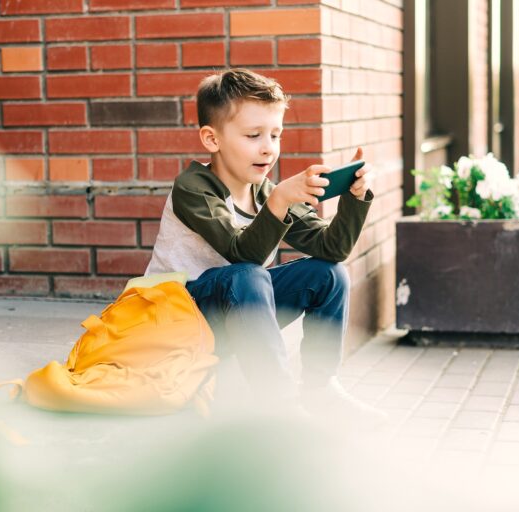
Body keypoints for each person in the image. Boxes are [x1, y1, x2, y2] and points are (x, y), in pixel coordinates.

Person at [145, 68, 385, 424]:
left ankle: (320, 389)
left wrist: (354, 198)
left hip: (229, 313)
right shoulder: (193, 187)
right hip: (175, 317)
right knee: (248, 275)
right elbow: (241, 254)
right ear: (212, 139)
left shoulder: (267, 192)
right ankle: (280, 409)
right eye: (253, 135)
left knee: (329, 274)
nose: (268, 147)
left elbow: (331, 248)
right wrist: (281, 202)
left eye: (275, 134)